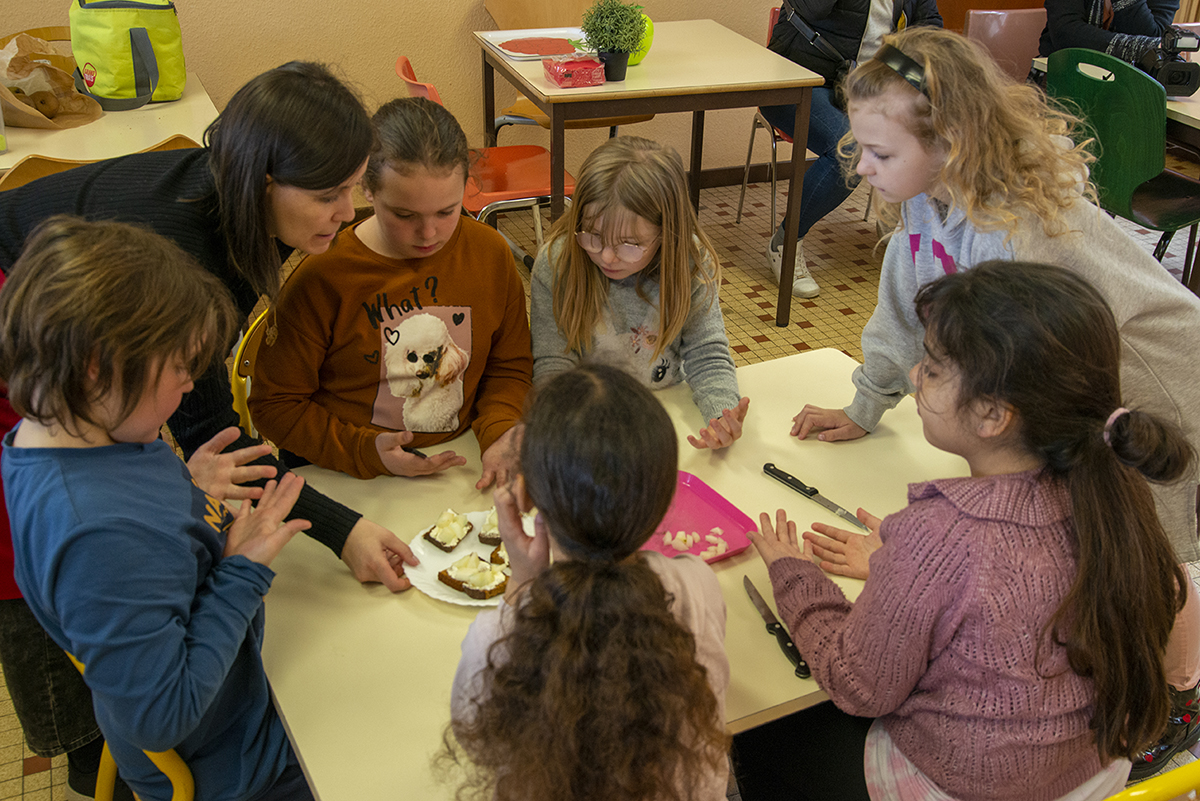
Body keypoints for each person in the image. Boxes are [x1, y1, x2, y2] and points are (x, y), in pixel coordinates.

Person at [789, 27, 1200, 778]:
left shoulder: (1026, 233)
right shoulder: (931, 196)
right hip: (1071, 389)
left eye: (881, 155)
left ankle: (1170, 705)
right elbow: (906, 306)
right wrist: (865, 402)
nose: (865, 170)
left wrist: (929, 550)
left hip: (1158, 392)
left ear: (949, 140)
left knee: (1152, 552)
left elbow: (1030, 398)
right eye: (862, 150)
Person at [0, 61, 417, 799]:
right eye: (328, 194)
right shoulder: (178, 271)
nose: (348, 212)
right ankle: (87, 749)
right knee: (44, 562)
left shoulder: (122, 427)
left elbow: (201, 448)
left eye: (353, 187)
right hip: (28, 307)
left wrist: (184, 493)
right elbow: (210, 430)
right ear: (261, 182)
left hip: (62, 346)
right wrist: (335, 530)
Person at [739, 260, 1192, 801]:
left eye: (931, 368)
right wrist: (903, 567)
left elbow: (861, 687)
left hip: (960, 787)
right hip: (1090, 776)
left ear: (993, 415)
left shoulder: (940, 536)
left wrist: (796, 581)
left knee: (761, 732)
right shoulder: (1117, 491)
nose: (913, 376)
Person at [0, 217, 315, 801]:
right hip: (232, 762)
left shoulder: (51, 428)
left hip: (227, 692)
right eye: (179, 368)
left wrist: (183, 486)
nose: (190, 387)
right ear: (98, 366)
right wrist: (243, 570)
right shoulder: (102, 537)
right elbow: (161, 714)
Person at [445, 364, 730, 801]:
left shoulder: (497, 635)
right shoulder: (698, 585)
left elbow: (479, 738)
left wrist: (521, 583)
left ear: (524, 495)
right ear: (664, 500)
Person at [249, 97, 531, 487]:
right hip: (350, 472)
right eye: (404, 215)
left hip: (461, 458)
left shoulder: (491, 253)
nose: (429, 233)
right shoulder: (324, 275)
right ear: (366, 188)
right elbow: (274, 405)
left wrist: (501, 431)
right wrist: (364, 450)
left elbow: (510, 365)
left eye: (447, 211)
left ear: (467, 186)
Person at [530, 136, 750, 451]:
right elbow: (552, 362)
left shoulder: (689, 262)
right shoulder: (557, 263)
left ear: (666, 233)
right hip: (585, 422)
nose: (606, 256)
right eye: (592, 235)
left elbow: (707, 353)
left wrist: (722, 414)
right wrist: (561, 426)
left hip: (664, 413)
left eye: (629, 244)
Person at [760, 0, 941, 297]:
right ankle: (786, 242)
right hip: (801, 74)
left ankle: (900, 230)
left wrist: (920, 73)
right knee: (850, 149)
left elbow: (930, 26)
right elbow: (811, 9)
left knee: (944, 118)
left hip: (875, 78)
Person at [1038, 0, 1181, 67]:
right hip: (1064, 73)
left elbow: (1153, 39)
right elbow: (1066, 34)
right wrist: (1139, 46)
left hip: (1132, 82)